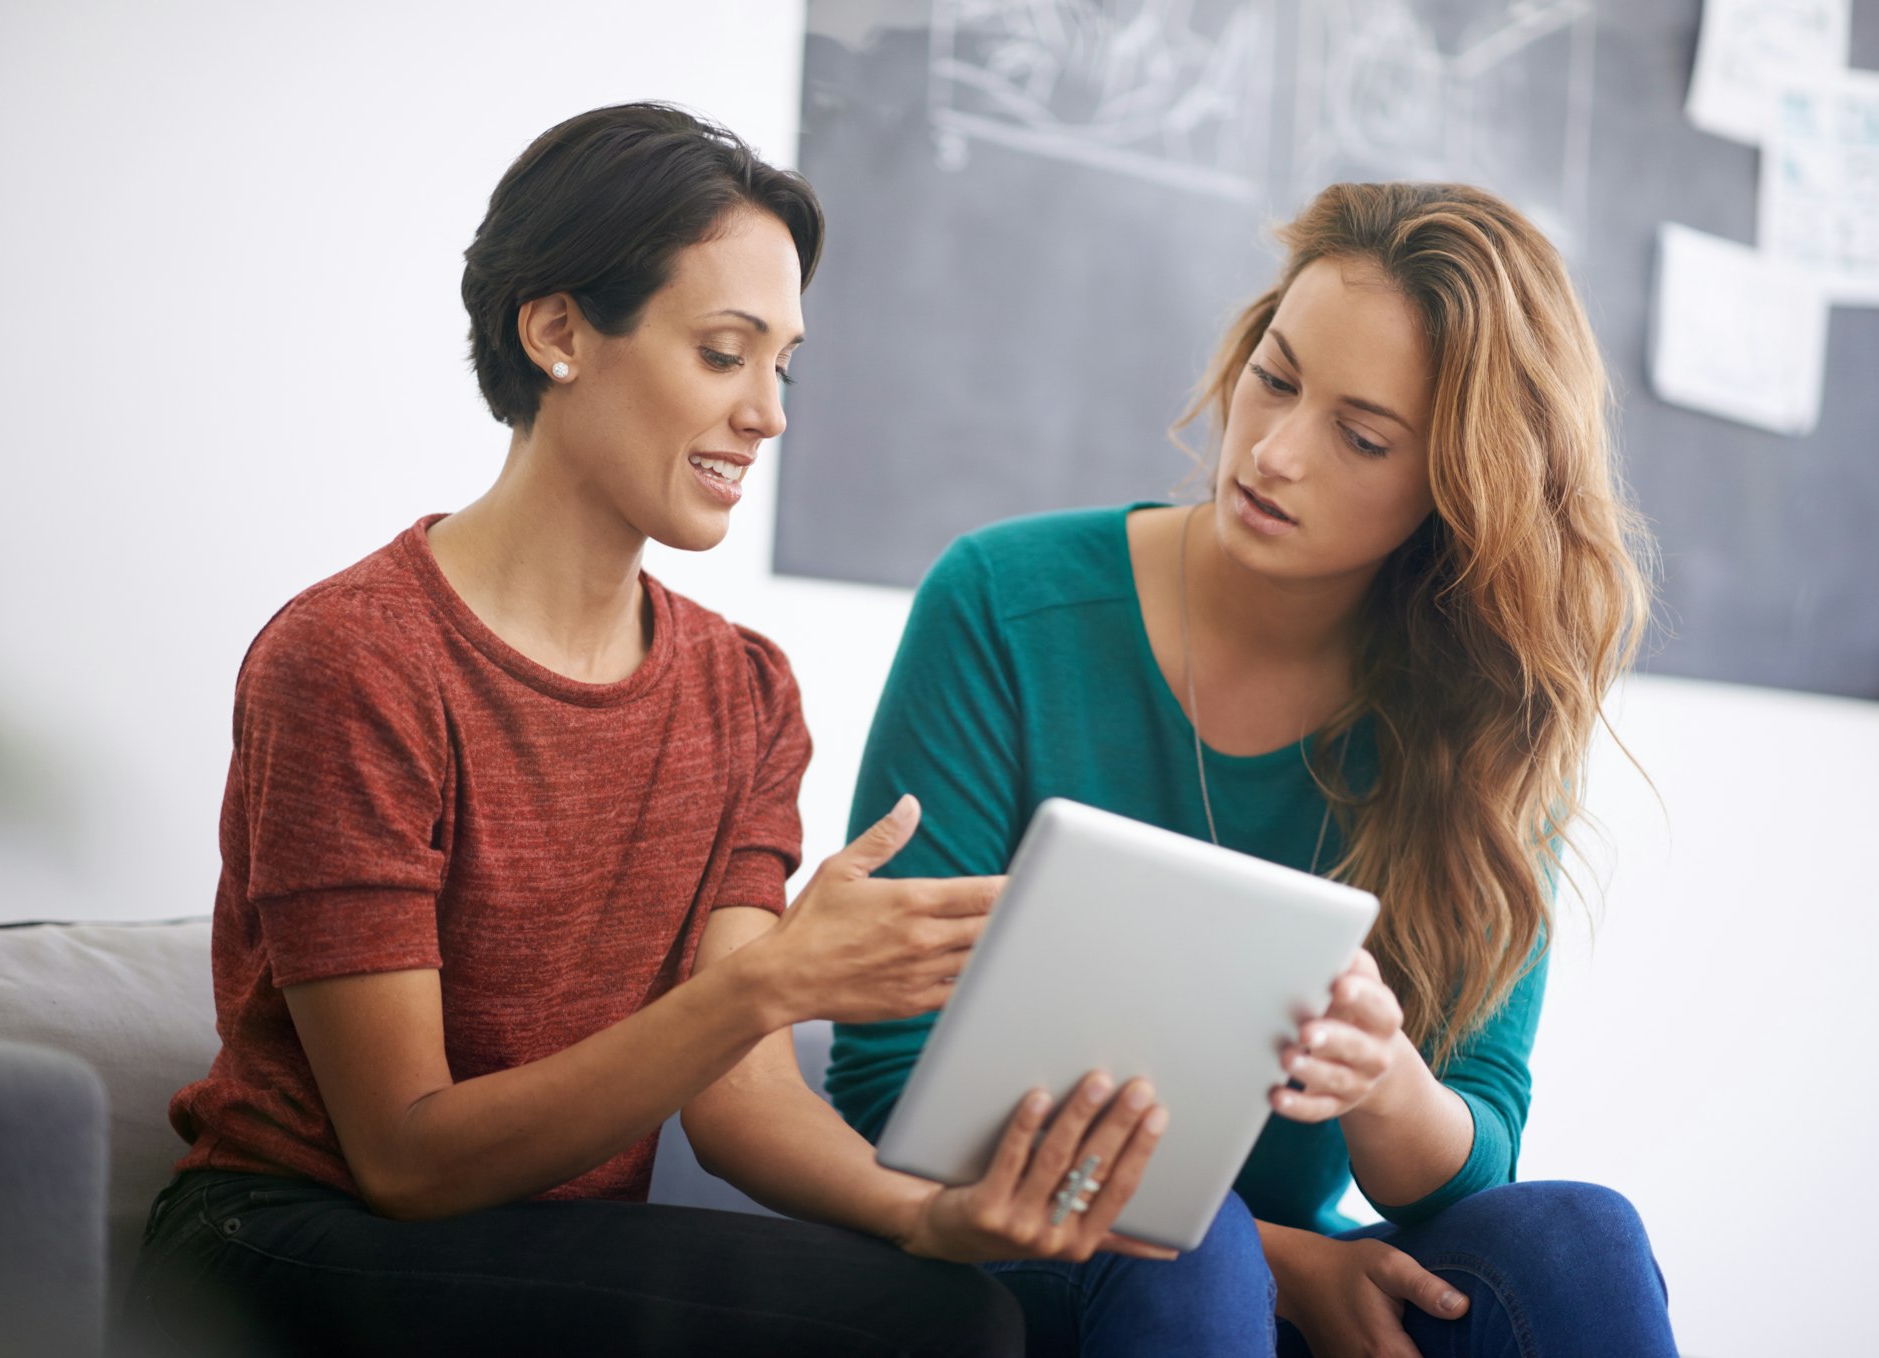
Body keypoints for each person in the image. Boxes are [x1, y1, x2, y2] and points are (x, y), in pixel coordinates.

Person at [120, 102, 1182, 1358]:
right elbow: (404, 1153)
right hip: (289, 1232)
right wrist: (766, 981)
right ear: (559, 330)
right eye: (724, 353)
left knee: (960, 1296)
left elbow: (737, 1102)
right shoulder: (354, 658)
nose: (770, 414)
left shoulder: (742, 692)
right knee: (926, 1329)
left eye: (782, 363)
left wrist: (936, 1211)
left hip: (533, 1249)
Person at [826, 181, 1682, 1358]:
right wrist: (1288, 1265)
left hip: (1266, 1274)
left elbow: (1464, 1166)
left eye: (1361, 434)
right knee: (1197, 1247)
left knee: (1576, 1236)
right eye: (1274, 377)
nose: (1272, 451)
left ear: (1458, 489)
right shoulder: (1003, 605)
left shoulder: (1490, 708)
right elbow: (882, 1079)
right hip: (1022, 1248)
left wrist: (1383, 1081)